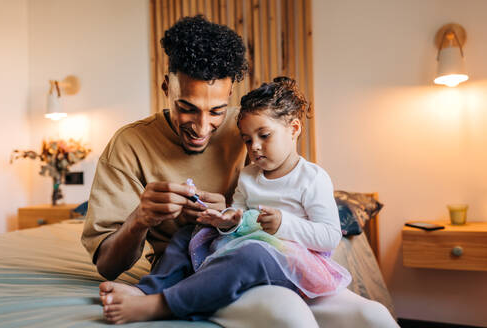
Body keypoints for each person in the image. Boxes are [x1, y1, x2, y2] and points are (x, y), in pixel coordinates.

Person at [82, 15, 398, 328]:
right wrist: (142, 218)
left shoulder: (248, 127)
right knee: (289, 315)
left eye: (217, 111)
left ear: (231, 95)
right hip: (207, 260)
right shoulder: (128, 145)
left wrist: (240, 216)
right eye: (187, 107)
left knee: (375, 315)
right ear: (166, 87)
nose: (202, 127)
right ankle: (153, 297)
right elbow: (108, 266)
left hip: (268, 255)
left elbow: (300, 210)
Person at [99, 77, 351, 323]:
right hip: (247, 244)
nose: (254, 147)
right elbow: (238, 214)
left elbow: (329, 237)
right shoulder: (249, 174)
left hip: (286, 259)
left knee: (251, 256)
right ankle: (149, 288)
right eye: (247, 140)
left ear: (294, 129)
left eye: (264, 136)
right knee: (188, 233)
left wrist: (284, 224)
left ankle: (163, 305)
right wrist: (225, 220)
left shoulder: (312, 179)